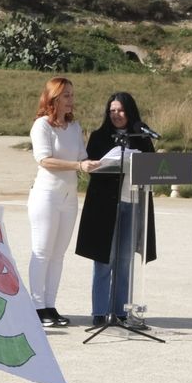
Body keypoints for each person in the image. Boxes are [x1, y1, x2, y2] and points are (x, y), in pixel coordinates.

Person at [75, 92, 158, 329]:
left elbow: (152, 168)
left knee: (124, 261)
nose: (116, 114)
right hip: (105, 206)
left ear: (130, 111)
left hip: (133, 204)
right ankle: (100, 312)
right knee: (104, 260)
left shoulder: (142, 137)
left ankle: (121, 311)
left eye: (120, 110)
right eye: (112, 110)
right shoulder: (99, 137)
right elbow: (92, 167)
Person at [28, 76, 96, 328]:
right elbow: (44, 160)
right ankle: (37, 307)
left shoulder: (74, 127)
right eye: (66, 95)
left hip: (69, 197)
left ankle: (50, 306)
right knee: (42, 251)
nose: (71, 100)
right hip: (46, 196)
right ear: (53, 98)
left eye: (72, 95)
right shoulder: (42, 126)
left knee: (58, 255)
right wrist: (78, 165)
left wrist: (97, 164)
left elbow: (82, 157)